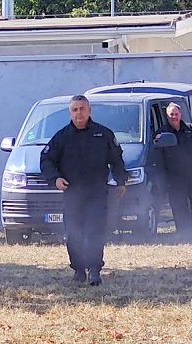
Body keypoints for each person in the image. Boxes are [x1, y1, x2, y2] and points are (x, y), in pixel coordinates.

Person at [40, 95, 127, 286]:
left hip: (97, 193)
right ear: (70, 112)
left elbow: (117, 159)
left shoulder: (103, 134)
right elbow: (46, 159)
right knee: (74, 234)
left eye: (82, 109)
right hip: (73, 195)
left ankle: (95, 270)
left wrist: (121, 181)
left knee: (95, 232)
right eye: (75, 110)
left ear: (89, 111)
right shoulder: (61, 137)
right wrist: (55, 178)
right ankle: (78, 269)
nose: (79, 113)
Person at [156, 102, 192, 239]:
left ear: (180, 114)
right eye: (171, 114)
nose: (174, 116)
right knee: (179, 205)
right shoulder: (162, 134)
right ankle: (184, 233)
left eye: (176, 114)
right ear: (167, 116)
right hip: (175, 177)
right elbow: (157, 155)